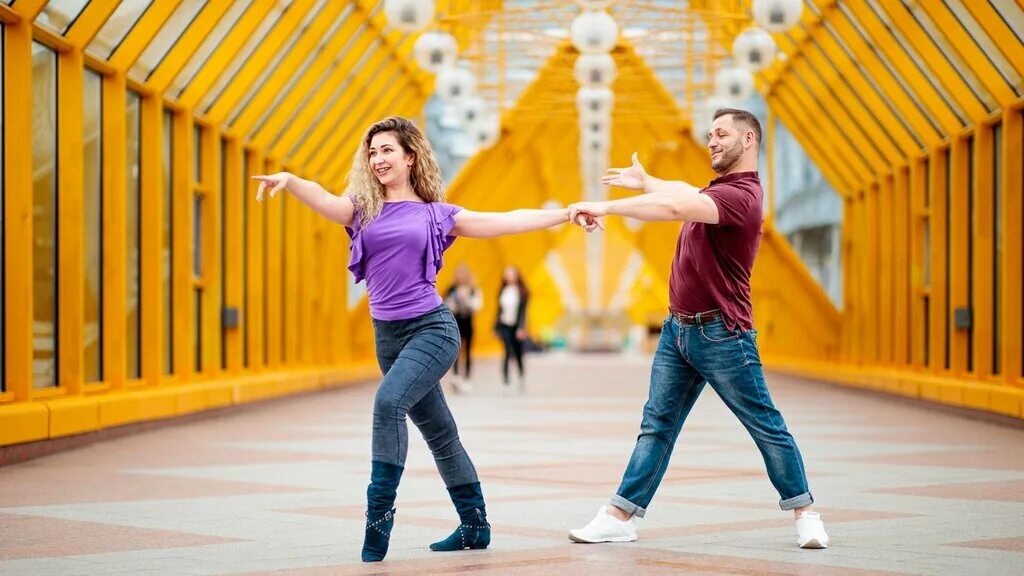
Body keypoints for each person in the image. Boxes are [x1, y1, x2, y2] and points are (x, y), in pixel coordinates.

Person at [253, 116, 588, 562]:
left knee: (388, 404)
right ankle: (474, 526)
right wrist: (292, 180)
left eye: (387, 150)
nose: (377, 159)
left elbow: (504, 220)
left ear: (410, 157)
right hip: (386, 338)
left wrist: (564, 214)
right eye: (371, 152)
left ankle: (377, 523)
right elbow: (326, 201)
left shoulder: (436, 215)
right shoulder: (362, 209)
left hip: (432, 329)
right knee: (441, 435)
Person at [565, 108, 830, 549]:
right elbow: (680, 191)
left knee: (765, 425)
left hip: (723, 334)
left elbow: (674, 205)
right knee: (657, 425)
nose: (711, 141)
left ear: (749, 141)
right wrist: (646, 181)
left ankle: (806, 513)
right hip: (678, 333)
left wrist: (604, 206)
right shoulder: (718, 190)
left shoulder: (742, 197)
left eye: (721, 134)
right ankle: (619, 516)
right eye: (710, 134)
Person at [444, 264, 483, 393]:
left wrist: (466, 300)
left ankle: (466, 378)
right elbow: (444, 304)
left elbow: (478, 305)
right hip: (455, 322)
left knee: (467, 351)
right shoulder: (451, 289)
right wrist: (454, 301)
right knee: (455, 349)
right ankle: (455, 376)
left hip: (468, 322)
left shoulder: (473, 289)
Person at [495, 265, 529, 389]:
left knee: (518, 351)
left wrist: (522, 327)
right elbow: (499, 310)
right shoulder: (503, 291)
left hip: (516, 326)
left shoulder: (521, 291)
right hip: (504, 324)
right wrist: (496, 326)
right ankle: (505, 379)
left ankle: (521, 373)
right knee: (507, 349)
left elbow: (523, 312)